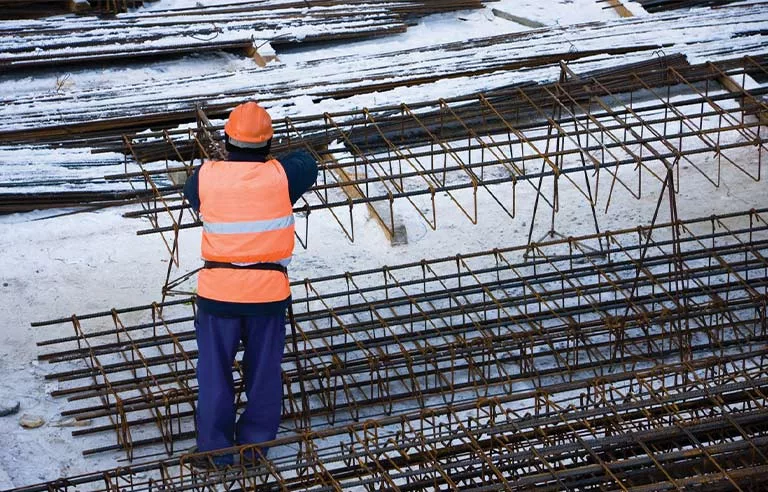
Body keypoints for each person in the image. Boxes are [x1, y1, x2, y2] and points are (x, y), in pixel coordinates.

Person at [182, 101, 318, 467]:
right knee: (263, 375)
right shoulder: (283, 177)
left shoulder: (205, 177)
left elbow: (191, 192)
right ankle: (254, 448)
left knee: (214, 373)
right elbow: (308, 161)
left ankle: (216, 451)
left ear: (226, 142)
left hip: (218, 295)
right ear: (268, 145)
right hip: (267, 297)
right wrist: (274, 161)